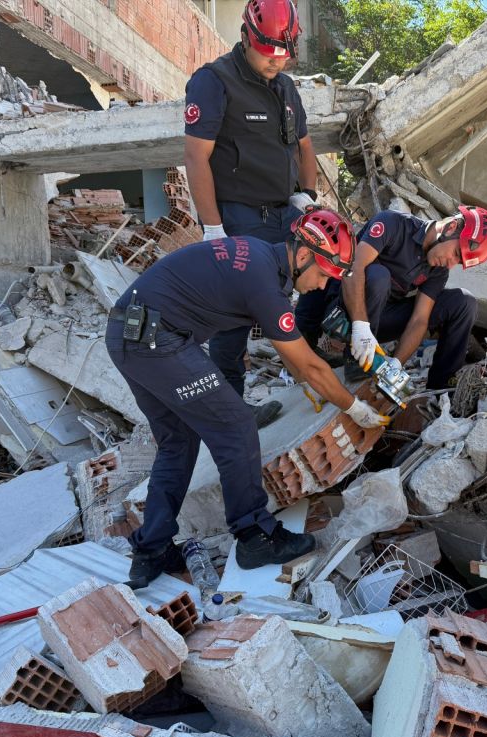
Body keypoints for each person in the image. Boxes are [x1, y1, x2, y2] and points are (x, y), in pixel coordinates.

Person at [105, 209, 389, 587]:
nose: (323, 286)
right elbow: (310, 367)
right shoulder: (264, 283)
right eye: (323, 273)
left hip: (127, 333)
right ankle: (255, 536)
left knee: (179, 440)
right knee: (236, 425)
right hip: (158, 339)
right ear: (303, 255)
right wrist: (354, 407)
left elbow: (228, 328)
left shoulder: (256, 255)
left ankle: (151, 550)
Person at [183, 0, 319, 426]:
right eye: (268, 55)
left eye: (283, 56)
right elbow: (195, 157)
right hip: (240, 216)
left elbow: (305, 146)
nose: (276, 63)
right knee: (235, 318)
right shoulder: (214, 82)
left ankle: (318, 366)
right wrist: (212, 228)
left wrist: (307, 196)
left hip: (285, 212)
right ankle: (231, 412)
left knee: (320, 277)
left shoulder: (286, 87)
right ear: (246, 37)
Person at [296, 206, 487, 390]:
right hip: (344, 310)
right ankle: (353, 359)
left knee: (464, 302)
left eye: (458, 262)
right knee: (378, 276)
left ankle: (440, 388)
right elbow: (353, 269)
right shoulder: (393, 224)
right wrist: (360, 326)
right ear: (451, 228)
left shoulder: (437, 270)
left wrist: (396, 365)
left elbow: (420, 320)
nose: (450, 263)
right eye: (456, 253)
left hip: (378, 322)